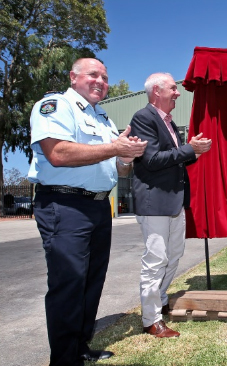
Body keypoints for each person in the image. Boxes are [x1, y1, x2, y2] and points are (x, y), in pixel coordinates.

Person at [28, 58, 148, 365]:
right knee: (69, 282)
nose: (101, 81)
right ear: (73, 77)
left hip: (98, 206)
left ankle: (81, 347)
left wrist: (127, 156)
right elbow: (57, 153)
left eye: (105, 78)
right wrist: (115, 149)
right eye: (93, 74)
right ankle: (64, 359)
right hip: (64, 205)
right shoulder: (56, 105)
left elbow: (119, 170)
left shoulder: (102, 117)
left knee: (91, 281)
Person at [129, 73, 212, 338]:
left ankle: (161, 300)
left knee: (174, 254)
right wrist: (189, 149)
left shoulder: (170, 123)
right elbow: (151, 160)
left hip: (174, 201)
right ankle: (151, 320)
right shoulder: (144, 118)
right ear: (157, 91)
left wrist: (194, 152)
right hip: (155, 202)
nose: (177, 93)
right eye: (173, 89)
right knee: (156, 260)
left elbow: (173, 160)